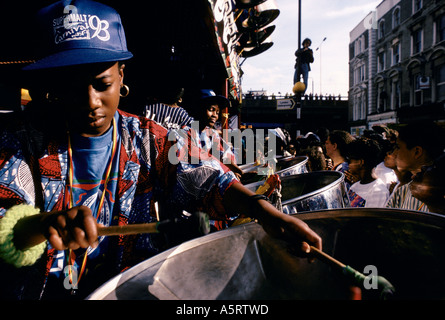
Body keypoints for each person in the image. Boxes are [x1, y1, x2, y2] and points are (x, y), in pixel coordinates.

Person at [0, 0, 321, 300]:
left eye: (102, 84)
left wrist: (266, 213)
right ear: (52, 88)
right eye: (72, 87)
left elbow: (210, 179)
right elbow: (4, 217)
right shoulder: (19, 142)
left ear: (121, 76)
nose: (91, 102)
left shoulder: (147, 138)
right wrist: (41, 226)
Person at [386, 121, 445, 212]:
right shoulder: (401, 192)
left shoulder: (439, 192)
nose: (394, 153)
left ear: (417, 152)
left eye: (398, 147)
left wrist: (435, 207)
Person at [346, 138, 390, 207]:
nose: (348, 165)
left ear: (360, 162)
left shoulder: (378, 191)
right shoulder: (354, 187)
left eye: (350, 161)